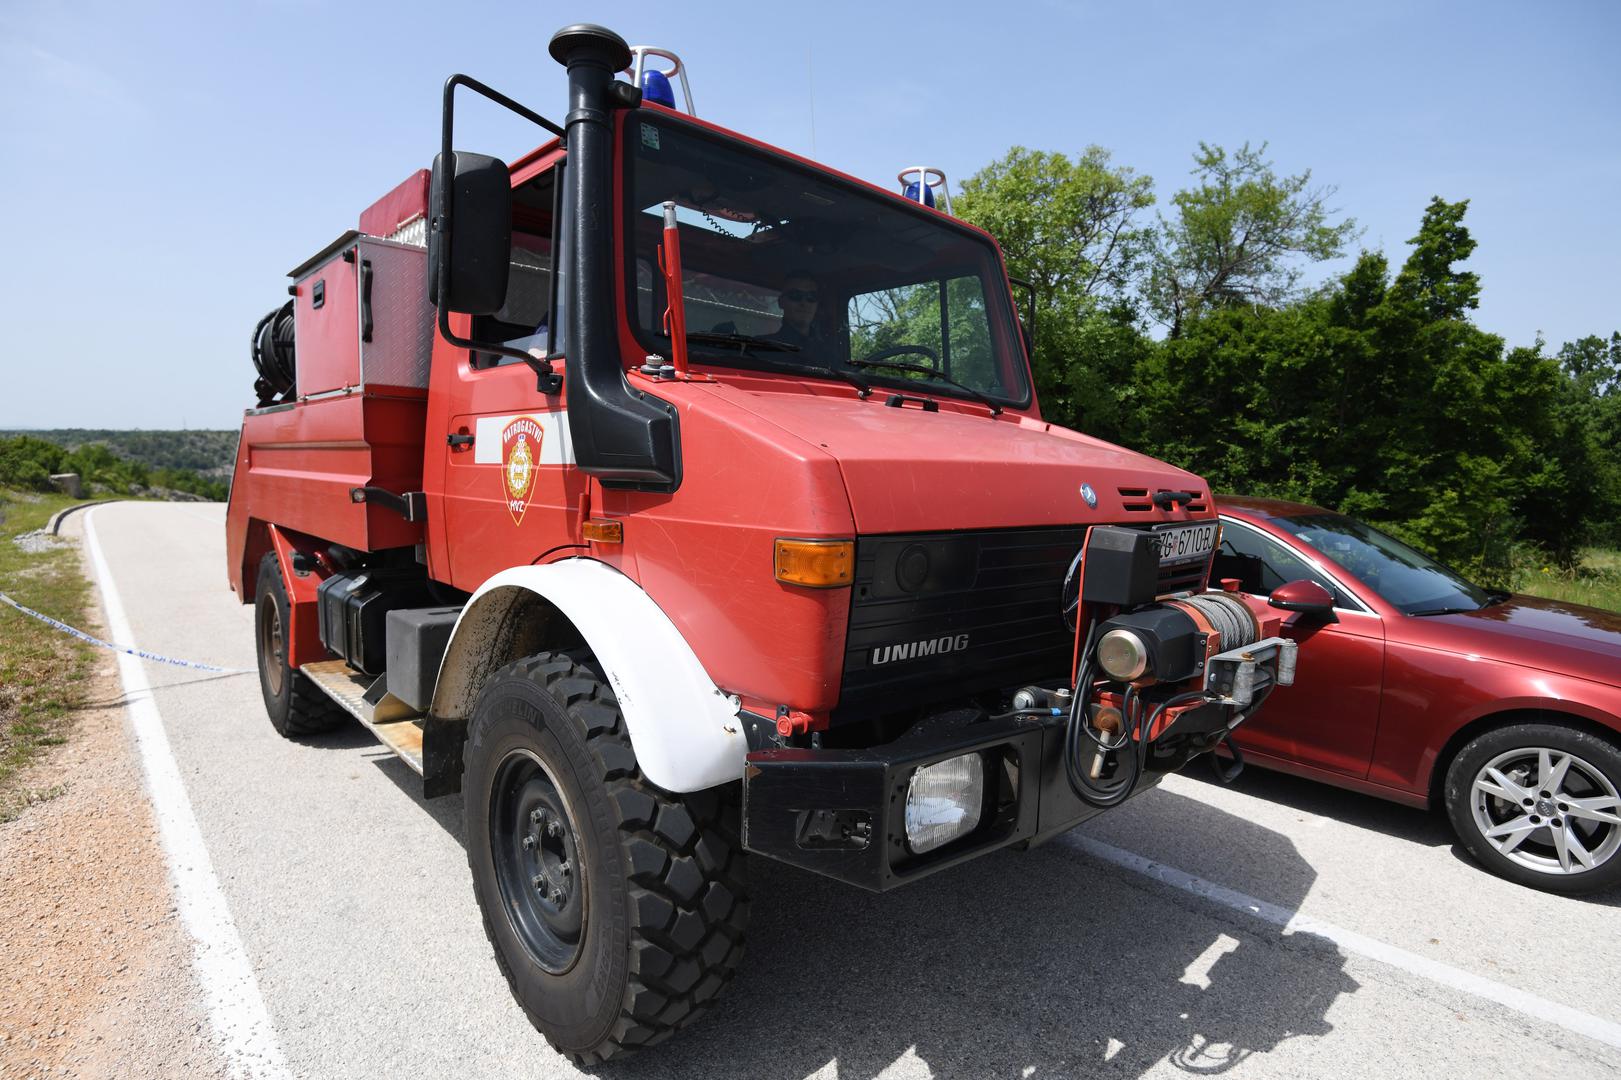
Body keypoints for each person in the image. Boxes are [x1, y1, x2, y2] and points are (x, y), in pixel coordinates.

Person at [765, 272, 822, 350]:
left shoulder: (829, 355)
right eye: (795, 295)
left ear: (817, 304)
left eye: (811, 297)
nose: (804, 302)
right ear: (781, 302)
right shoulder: (760, 347)